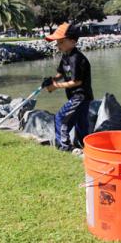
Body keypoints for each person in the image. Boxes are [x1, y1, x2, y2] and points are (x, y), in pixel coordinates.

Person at [45, 23, 94, 151]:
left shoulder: (76, 58)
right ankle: (84, 145)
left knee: (61, 118)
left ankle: (64, 146)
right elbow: (61, 73)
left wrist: (56, 86)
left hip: (80, 95)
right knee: (80, 121)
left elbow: (76, 82)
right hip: (78, 96)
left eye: (60, 42)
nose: (57, 45)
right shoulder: (66, 55)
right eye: (57, 43)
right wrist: (52, 79)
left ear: (72, 42)